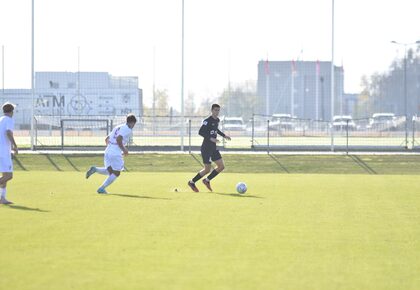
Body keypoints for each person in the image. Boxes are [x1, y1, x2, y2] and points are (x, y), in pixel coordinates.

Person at [85, 114, 137, 194]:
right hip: (115, 151)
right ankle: (101, 188)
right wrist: (124, 150)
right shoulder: (128, 129)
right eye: (134, 124)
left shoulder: (118, 127)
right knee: (116, 172)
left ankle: (95, 169)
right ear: (132, 122)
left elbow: (106, 139)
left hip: (108, 149)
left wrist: (110, 148)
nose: (134, 126)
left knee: (110, 171)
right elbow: (119, 139)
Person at [188, 104, 230, 192]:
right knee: (207, 169)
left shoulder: (217, 120)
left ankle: (206, 180)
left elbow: (216, 129)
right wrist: (211, 138)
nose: (217, 112)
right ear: (211, 110)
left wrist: (224, 135)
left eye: (218, 110)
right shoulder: (207, 121)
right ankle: (192, 182)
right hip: (206, 148)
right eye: (215, 110)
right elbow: (201, 132)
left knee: (221, 166)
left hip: (213, 148)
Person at [0, 102, 18, 205]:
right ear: (11, 111)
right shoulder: (9, 120)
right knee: (9, 176)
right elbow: (8, 132)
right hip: (3, 152)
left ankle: (2, 198)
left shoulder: (1, 119)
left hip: (1, 151)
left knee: (5, 175)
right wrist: (15, 146)